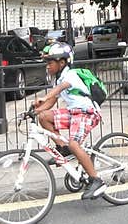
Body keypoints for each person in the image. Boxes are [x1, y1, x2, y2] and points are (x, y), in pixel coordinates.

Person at [33, 42, 107, 199]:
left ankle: (96, 180)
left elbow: (58, 90)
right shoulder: (58, 79)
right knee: (44, 117)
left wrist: (45, 96)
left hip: (87, 113)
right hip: (73, 113)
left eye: (50, 62)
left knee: (74, 144)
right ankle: (63, 149)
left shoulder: (70, 75)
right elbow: (52, 101)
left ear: (62, 62)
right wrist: (35, 111)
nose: (47, 66)